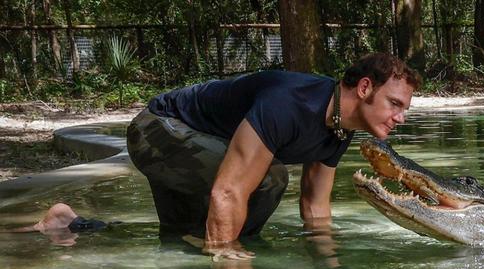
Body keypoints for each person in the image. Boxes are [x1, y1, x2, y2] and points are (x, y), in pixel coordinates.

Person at [126, 53, 419, 257]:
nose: (401, 117)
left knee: (178, 240)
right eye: (395, 103)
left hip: (198, 141)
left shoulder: (341, 127)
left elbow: (315, 205)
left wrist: (329, 264)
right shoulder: (289, 104)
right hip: (158, 129)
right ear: (365, 87)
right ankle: (225, 251)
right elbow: (229, 191)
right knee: (269, 178)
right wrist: (229, 263)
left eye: (404, 108)